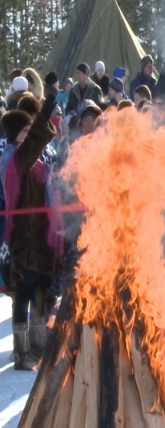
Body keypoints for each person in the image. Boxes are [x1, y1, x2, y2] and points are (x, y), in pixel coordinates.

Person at [0, 95, 60, 370]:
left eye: (29, 130)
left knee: (40, 289)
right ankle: (22, 352)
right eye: (24, 131)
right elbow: (34, 145)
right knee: (23, 292)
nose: (28, 135)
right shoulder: (14, 160)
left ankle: (39, 345)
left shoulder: (31, 158)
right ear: (15, 135)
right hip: (24, 237)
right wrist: (46, 112)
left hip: (40, 233)